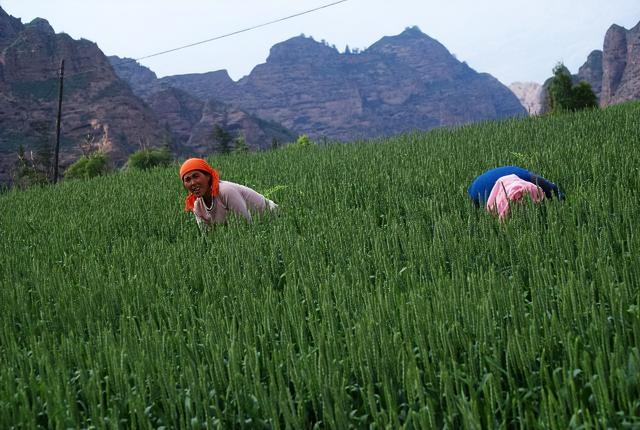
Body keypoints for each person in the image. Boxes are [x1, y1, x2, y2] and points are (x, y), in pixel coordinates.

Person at [179, 158, 278, 230]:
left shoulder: (225, 191)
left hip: (274, 220)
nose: (193, 183)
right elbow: (208, 237)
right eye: (187, 180)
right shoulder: (197, 206)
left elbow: (247, 225)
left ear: (208, 176)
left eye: (196, 176)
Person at [468, 165, 564, 219]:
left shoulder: (532, 181)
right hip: (477, 189)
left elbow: (554, 191)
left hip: (504, 173)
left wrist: (561, 200)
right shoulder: (498, 203)